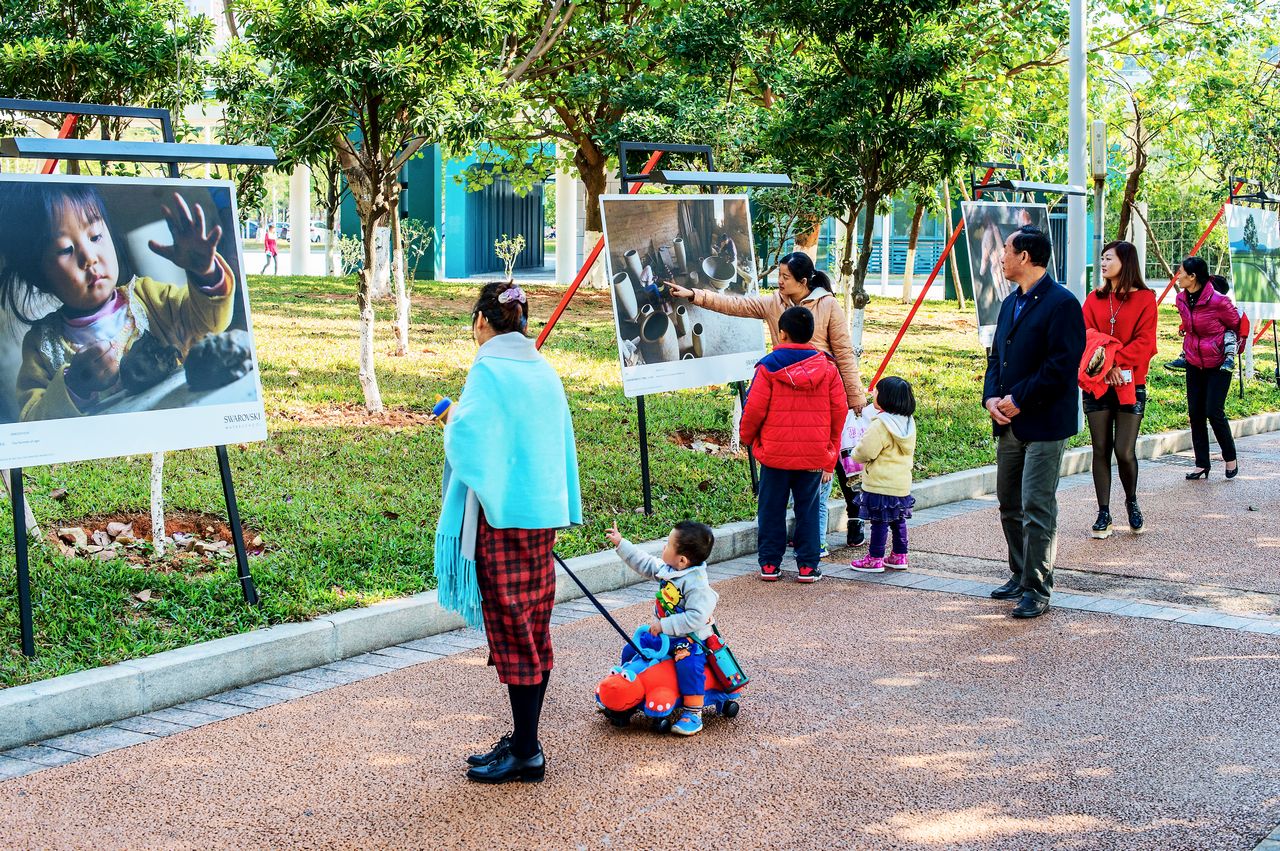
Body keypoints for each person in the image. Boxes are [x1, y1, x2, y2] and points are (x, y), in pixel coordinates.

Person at [434, 281, 582, 784]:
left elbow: (471, 440)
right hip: (540, 514)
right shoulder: (542, 368)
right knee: (533, 626)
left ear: (481, 321)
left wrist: (451, 417)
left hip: (499, 519)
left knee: (514, 631)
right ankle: (523, 740)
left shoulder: (489, 369)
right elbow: (554, 439)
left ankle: (528, 750)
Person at [670, 252, 867, 556]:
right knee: (801, 461)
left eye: (786, 277)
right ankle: (807, 540)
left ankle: (825, 533)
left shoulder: (827, 305)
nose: (779, 281)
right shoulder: (774, 302)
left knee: (827, 463)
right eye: (780, 275)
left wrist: (854, 396)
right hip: (786, 398)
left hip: (820, 397)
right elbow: (736, 304)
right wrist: (695, 294)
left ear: (803, 281)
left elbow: (843, 353)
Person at [0, 184, 235, 422]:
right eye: (65, 249)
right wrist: (75, 384)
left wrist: (205, 274)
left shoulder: (146, 298)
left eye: (95, 236)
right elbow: (32, 423)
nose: (90, 257)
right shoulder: (40, 345)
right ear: (39, 277)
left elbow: (208, 323)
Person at [983, 226, 1086, 619]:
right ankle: (1020, 573)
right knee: (1009, 501)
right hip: (1008, 421)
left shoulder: (1061, 303)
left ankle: (1038, 587)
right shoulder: (1011, 303)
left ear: (1025, 256)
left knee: (1036, 505)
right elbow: (996, 358)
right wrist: (991, 397)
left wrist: (1018, 399)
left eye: (1006, 250)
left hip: (1043, 421)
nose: (1001, 256)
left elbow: (1061, 366)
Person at [739, 306, 846, 583]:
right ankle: (808, 566)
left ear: (782, 333)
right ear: (811, 333)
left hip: (775, 454)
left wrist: (746, 438)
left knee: (771, 508)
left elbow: (754, 410)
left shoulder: (768, 367)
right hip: (813, 454)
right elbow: (839, 411)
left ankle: (770, 564)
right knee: (808, 510)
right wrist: (830, 452)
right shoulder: (828, 368)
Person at [605, 519, 718, 736]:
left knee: (689, 664)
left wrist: (664, 624)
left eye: (667, 544)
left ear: (682, 560)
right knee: (632, 649)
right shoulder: (670, 569)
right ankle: (627, 690)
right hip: (664, 634)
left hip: (691, 639)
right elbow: (646, 563)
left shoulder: (697, 585)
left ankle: (693, 712)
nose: (663, 547)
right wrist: (621, 544)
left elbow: (696, 617)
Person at [1081, 240, 1157, 538]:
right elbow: (1085, 335)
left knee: (1124, 450)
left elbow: (1146, 343)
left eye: (1108, 258)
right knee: (1100, 447)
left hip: (1130, 382)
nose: (1102, 263)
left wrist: (1112, 360)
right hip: (1097, 383)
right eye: (1101, 258)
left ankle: (1132, 501)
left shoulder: (1146, 299)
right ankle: (1103, 512)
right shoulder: (1094, 299)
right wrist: (1106, 366)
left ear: (1125, 262)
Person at [1173, 257, 1241, 480]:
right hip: (1194, 361)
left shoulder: (1219, 301)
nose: (1178, 275)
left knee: (1214, 411)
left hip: (1219, 363)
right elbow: (1190, 324)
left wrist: (1225, 350)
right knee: (1195, 413)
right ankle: (1202, 464)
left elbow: (1235, 325)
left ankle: (1230, 458)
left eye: (1181, 272)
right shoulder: (1181, 299)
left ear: (1193, 277)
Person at [848, 376, 918, 574]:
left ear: (886, 398)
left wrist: (855, 453)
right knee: (898, 520)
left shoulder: (881, 425)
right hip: (900, 483)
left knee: (879, 522)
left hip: (879, 483)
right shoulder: (907, 422)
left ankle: (875, 558)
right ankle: (899, 555)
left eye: (876, 392)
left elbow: (866, 451)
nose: (873, 394)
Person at [1166, 274, 1238, 373]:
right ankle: (1185, 357)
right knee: (1192, 334)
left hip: (1218, 343)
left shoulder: (1222, 303)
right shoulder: (1199, 303)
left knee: (1229, 334)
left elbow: (1236, 323)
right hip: (1201, 350)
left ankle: (1229, 359)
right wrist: (1184, 326)